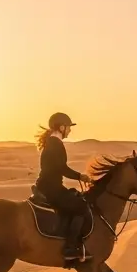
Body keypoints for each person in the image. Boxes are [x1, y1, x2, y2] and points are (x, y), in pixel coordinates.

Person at [34, 112, 91, 263]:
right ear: (61, 127)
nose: (70, 131)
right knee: (80, 206)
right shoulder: (55, 143)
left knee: (74, 199)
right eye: (68, 127)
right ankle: (70, 248)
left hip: (49, 186)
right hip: (51, 188)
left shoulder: (52, 142)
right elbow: (62, 168)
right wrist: (80, 176)